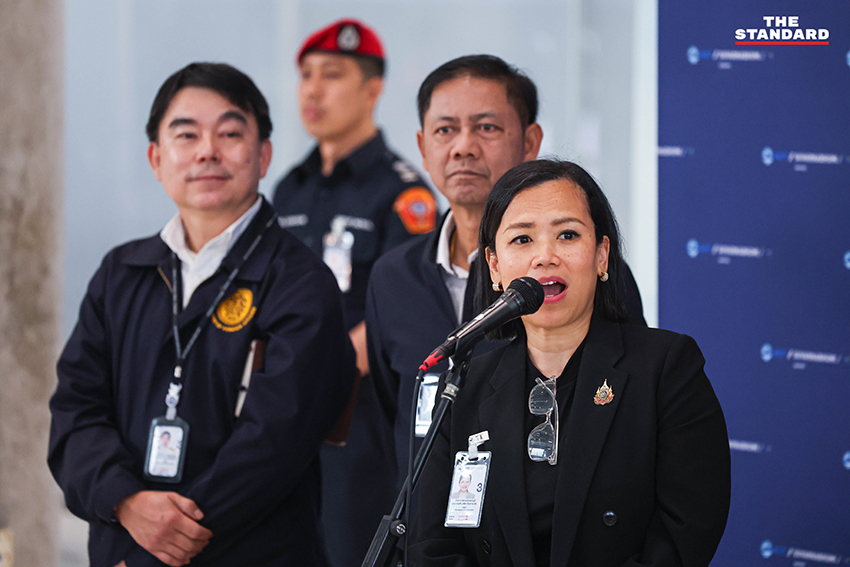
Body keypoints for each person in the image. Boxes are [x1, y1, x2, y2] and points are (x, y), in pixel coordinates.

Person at [48, 62, 355, 567]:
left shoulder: (300, 282)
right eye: (186, 134)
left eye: (230, 133)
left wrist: (154, 554)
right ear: (156, 157)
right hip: (122, 545)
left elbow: (273, 445)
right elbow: (75, 414)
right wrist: (125, 501)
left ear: (263, 155)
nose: (207, 150)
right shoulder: (121, 273)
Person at [410, 159, 731, 566]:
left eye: (567, 235)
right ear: (494, 266)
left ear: (601, 255)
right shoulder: (466, 386)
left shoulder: (667, 368)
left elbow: (685, 534)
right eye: (522, 240)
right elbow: (432, 545)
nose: (545, 256)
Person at [365, 55, 646, 487]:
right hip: (427, 538)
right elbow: (393, 415)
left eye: (487, 128)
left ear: (531, 141)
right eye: (445, 130)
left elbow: (624, 403)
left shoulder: (576, 272)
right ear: (422, 147)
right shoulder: (391, 277)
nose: (463, 147)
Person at [272, 19, 437, 567]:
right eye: (306, 76)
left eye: (332, 75)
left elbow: (403, 309)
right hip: (284, 419)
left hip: (359, 426)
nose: (312, 90)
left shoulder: (402, 190)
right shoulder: (290, 186)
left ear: (372, 89)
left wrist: (316, 375)